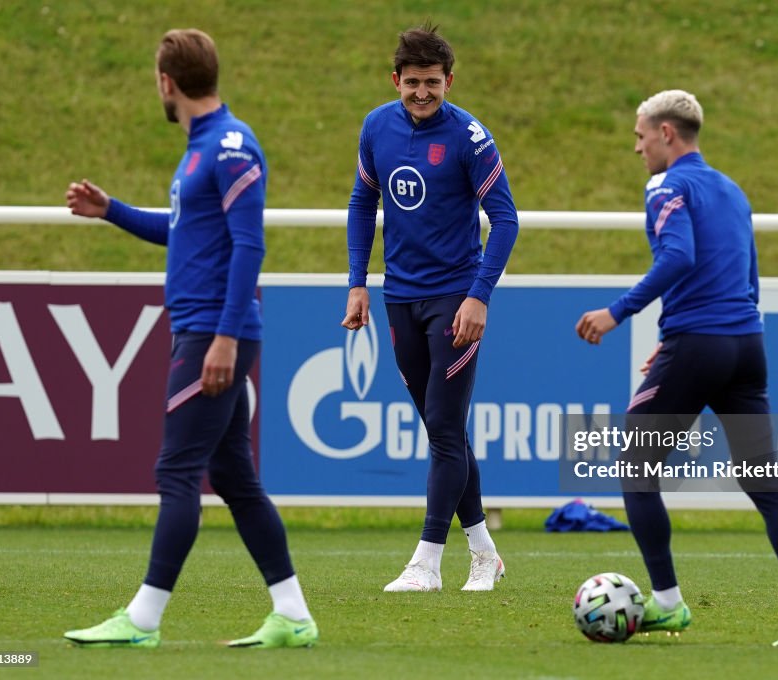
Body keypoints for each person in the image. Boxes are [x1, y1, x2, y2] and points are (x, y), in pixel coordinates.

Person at [62, 28, 317, 649]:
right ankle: (293, 615)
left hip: (211, 332)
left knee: (176, 472)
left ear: (166, 82)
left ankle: (143, 620)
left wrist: (225, 338)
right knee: (234, 480)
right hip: (208, 329)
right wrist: (113, 210)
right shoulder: (208, 144)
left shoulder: (229, 147)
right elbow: (187, 232)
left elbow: (250, 244)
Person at [575, 89, 778, 647]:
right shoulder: (732, 190)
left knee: (635, 470)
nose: (637, 147)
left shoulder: (667, 185)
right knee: (765, 482)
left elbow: (679, 256)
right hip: (745, 342)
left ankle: (666, 602)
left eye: (641, 136)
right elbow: (749, 278)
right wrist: (686, 336)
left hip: (700, 342)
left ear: (667, 133)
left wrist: (618, 313)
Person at [342, 23, 519, 592]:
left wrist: (478, 296)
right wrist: (357, 282)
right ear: (396, 79)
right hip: (400, 298)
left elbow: (507, 220)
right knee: (445, 430)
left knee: (443, 429)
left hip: (454, 301)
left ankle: (426, 562)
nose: (422, 92)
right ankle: (485, 551)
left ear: (449, 81)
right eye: (413, 82)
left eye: (433, 83)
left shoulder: (470, 137)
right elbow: (361, 201)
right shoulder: (377, 126)